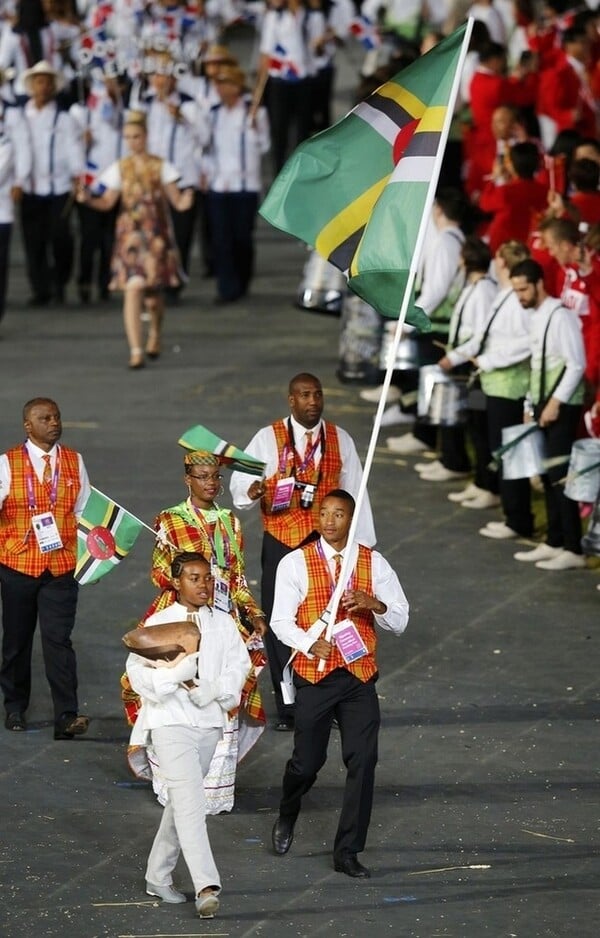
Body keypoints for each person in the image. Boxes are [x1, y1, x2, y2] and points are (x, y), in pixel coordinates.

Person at [269, 489, 409, 878]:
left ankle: (348, 850)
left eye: (339, 514)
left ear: (352, 519)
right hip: (316, 676)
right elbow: (280, 621)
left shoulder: (373, 563)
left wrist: (374, 604)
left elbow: (400, 618)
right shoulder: (295, 563)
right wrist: (308, 642)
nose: (329, 521)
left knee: (363, 760)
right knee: (307, 762)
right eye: (324, 513)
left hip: (359, 676)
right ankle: (288, 808)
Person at [230, 373, 376, 731]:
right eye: (305, 395)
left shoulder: (340, 439)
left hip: (323, 540)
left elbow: (356, 492)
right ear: (291, 401)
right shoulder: (267, 438)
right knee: (282, 620)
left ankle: (331, 696)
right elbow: (240, 482)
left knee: (329, 615)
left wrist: (363, 547)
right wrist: (251, 491)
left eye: (318, 395)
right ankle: (290, 704)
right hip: (281, 540)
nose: (313, 401)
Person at [124, 449, 267, 815]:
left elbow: (238, 579)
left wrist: (252, 612)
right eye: (202, 477)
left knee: (232, 681)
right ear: (188, 479)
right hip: (181, 610)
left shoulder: (230, 522)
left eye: (216, 477)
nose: (211, 484)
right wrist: (191, 570)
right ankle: (170, 774)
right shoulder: (169, 520)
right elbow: (159, 574)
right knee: (158, 682)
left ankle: (213, 781)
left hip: (222, 615)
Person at [126, 551, 251, 919]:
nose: (204, 585)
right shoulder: (160, 622)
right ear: (177, 582)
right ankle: (206, 885)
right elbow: (137, 672)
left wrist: (214, 691)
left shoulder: (224, 623)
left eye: (208, 578)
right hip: (169, 722)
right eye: (194, 578)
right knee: (193, 802)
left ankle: (157, 875)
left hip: (209, 723)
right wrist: (172, 678)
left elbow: (238, 665)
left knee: (183, 803)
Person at [0, 397, 91, 737]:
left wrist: (93, 551)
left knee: (58, 640)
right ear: (28, 425)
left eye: (56, 416)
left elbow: (82, 510)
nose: (53, 422)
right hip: (17, 565)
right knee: (17, 641)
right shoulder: (7, 464)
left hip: (61, 566)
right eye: (44, 418)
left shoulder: (73, 461)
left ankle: (66, 716)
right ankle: (14, 706)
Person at [76, 109, 194, 369]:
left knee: (152, 296)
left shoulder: (160, 165)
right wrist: (88, 200)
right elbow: (108, 202)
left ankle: (154, 332)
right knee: (133, 287)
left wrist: (185, 201)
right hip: (130, 237)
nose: (132, 141)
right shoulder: (120, 167)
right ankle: (136, 349)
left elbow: (176, 199)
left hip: (155, 236)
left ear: (146, 136)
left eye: (136, 136)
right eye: (128, 137)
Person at [510, 258, 587, 570]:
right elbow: (538, 365)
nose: (520, 296)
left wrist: (555, 403)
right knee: (546, 474)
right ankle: (554, 540)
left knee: (559, 477)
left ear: (540, 283)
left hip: (562, 406)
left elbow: (577, 364)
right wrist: (532, 406)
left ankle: (573, 546)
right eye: (516, 291)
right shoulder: (538, 316)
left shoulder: (561, 316)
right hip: (543, 404)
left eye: (524, 289)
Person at [203, 63, 270, 304]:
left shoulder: (254, 113)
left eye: (226, 84)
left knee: (242, 237)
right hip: (219, 185)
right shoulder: (213, 114)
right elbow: (207, 146)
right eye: (218, 84)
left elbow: (264, 146)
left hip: (245, 186)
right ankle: (226, 287)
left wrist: (254, 130)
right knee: (221, 239)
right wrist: (207, 172)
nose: (221, 89)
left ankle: (243, 279)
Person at [20, 59, 84, 306]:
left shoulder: (64, 118)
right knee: (33, 241)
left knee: (61, 237)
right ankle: (40, 289)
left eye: (47, 82)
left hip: (58, 187)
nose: (43, 87)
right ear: (32, 86)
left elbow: (73, 148)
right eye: (39, 82)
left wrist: (77, 175)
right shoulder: (22, 116)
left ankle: (60, 281)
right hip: (30, 188)